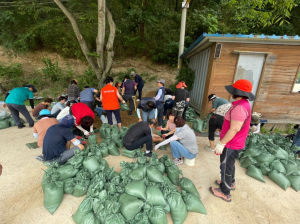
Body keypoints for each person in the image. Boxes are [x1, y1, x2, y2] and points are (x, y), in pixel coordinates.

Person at [210, 79, 255, 202]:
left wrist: (222, 143)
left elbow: (234, 128)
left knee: (225, 167)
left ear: (237, 92)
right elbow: (232, 125)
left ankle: (225, 192)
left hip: (230, 144)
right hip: (235, 142)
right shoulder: (243, 104)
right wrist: (222, 129)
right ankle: (231, 182)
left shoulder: (240, 107)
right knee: (230, 164)